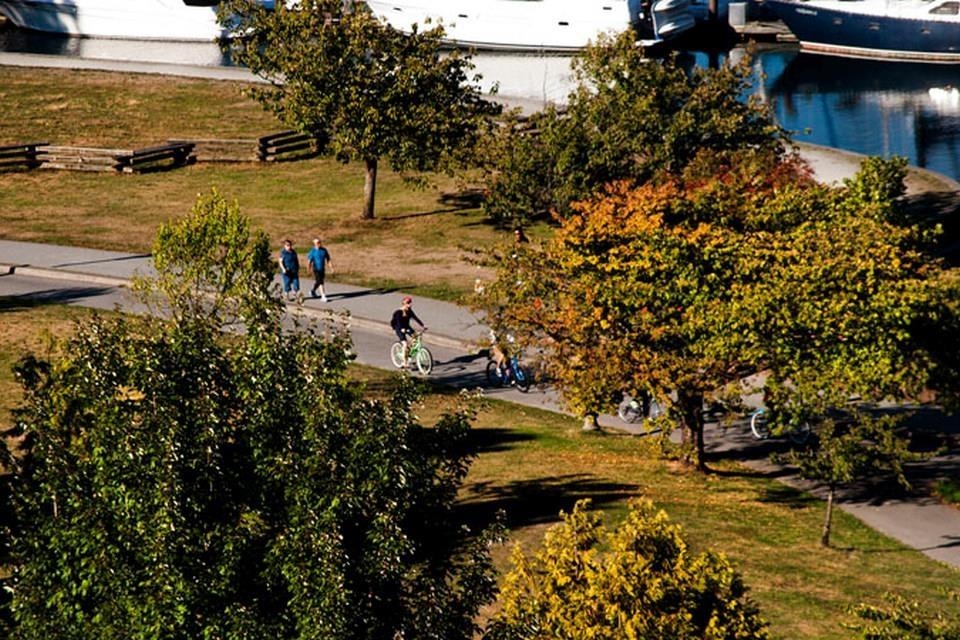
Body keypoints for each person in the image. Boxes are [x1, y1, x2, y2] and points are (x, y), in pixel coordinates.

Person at [306, 237, 333, 302]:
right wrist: (308, 269)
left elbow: (328, 259)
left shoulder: (324, 250)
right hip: (316, 269)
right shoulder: (312, 251)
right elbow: (309, 261)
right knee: (321, 282)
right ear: (314, 244)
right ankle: (323, 296)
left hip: (322, 269)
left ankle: (312, 291)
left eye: (319, 242)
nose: (318, 244)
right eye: (317, 243)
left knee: (318, 281)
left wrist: (331, 268)